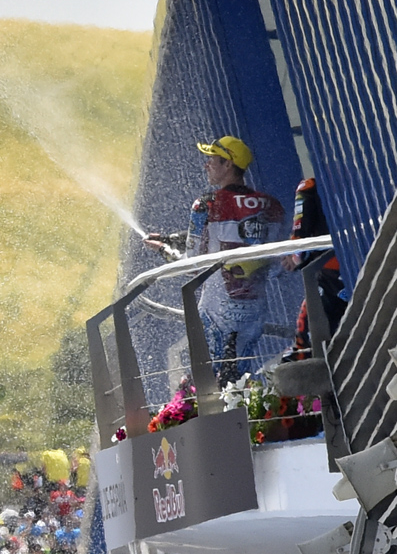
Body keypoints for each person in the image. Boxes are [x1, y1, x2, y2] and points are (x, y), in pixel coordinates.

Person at [146, 135, 285, 382]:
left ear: (228, 165)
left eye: (211, 159)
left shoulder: (206, 204)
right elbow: (274, 265)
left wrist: (163, 250)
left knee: (205, 381)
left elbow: (193, 265)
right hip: (255, 311)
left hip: (216, 312)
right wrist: (171, 237)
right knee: (239, 378)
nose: (206, 165)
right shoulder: (270, 206)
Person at [282, 176, 347, 360]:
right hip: (369, 267)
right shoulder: (360, 175)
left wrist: (293, 259)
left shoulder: (309, 186)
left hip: (332, 277)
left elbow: (299, 244)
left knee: (305, 345)